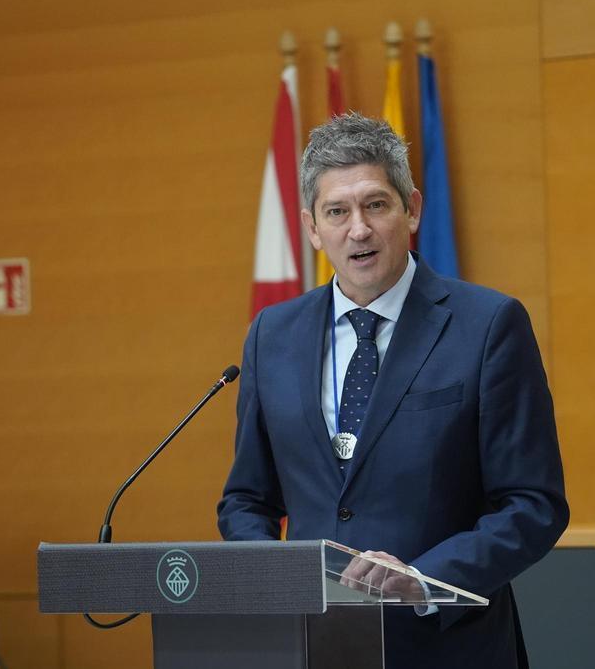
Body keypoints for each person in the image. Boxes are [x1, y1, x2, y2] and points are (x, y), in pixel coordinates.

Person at [217, 113, 569, 668]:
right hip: (311, 648)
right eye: (337, 211)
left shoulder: (488, 324)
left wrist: (426, 579)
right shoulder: (271, 335)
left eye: (376, 205)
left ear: (412, 210)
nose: (358, 229)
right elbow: (247, 499)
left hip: (448, 647)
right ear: (313, 228)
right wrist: (273, 580)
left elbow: (533, 505)